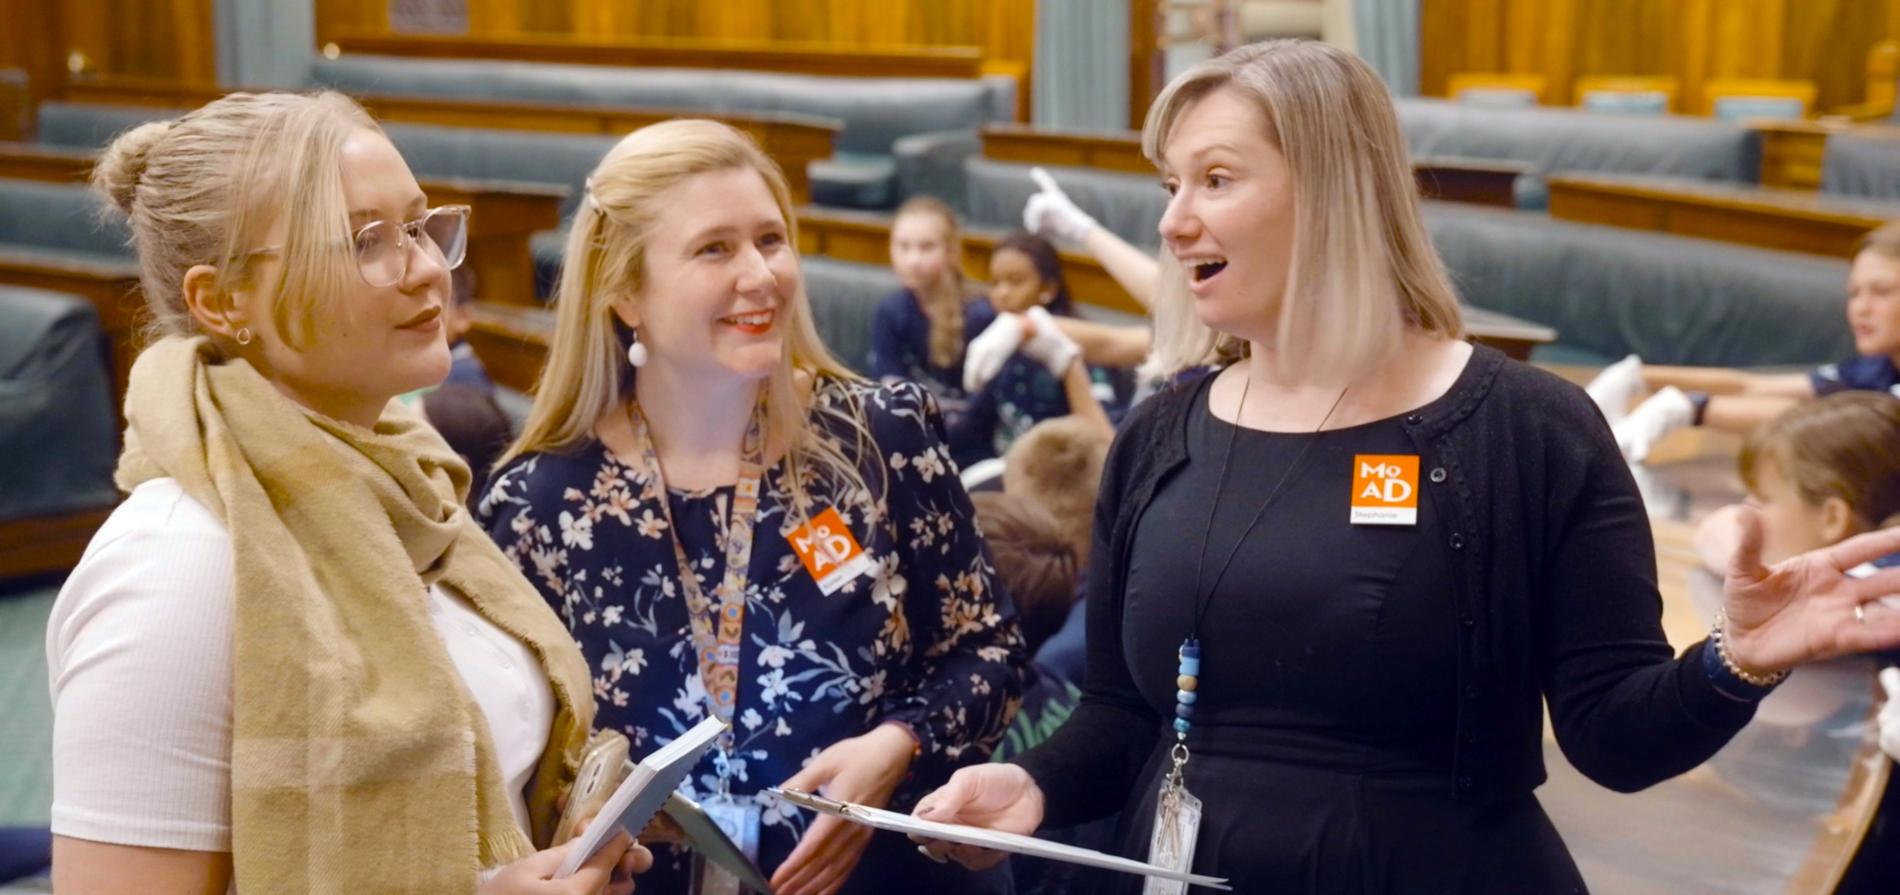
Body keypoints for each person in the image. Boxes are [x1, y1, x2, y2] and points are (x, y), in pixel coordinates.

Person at [909, 40, 1900, 894]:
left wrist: (1740, 656)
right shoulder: (1160, 432)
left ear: (1335, 190)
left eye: (1214, 179)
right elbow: (1125, 712)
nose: (1171, 222)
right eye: (1171, 185)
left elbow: (1615, 738)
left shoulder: (1525, 431)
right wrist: (1035, 780)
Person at [45, 91, 645, 894]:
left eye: (420, 224)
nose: (430, 266)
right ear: (222, 301)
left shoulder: (411, 489)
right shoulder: (177, 568)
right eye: (367, 241)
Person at [479, 119, 1025, 895]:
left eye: (771, 240)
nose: (760, 274)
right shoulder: (539, 505)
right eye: (715, 248)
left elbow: (991, 651)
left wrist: (898, 742)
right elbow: (503, 761)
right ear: (625, 289)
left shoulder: (879, 440)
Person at [1591, 221, 1900, 462]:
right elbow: (1752, 387)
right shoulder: (1879, 366)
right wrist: (1639, 377)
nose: (1860, 308)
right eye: (1854, 293)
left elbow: (1824, 424)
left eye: (1881, 292)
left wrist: (1694, 408)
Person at [960, 232, 1116, 457]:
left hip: (1060, 472)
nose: (1002, 293)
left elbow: (1105, 440)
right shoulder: (988, 333)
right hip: (1000, 464)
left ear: (1048, 289)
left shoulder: (1083, 345)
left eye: (1016, 282)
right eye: (995, 282)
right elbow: (976, 423)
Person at [869, 196, 997, 465]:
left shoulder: (981, 315)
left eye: (926, 247)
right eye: (903, 246)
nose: (913, 260)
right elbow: (888, 386)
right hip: (912, 443)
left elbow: (982, 414)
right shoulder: (890, 310)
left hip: (969, 452)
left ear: (951, 252)